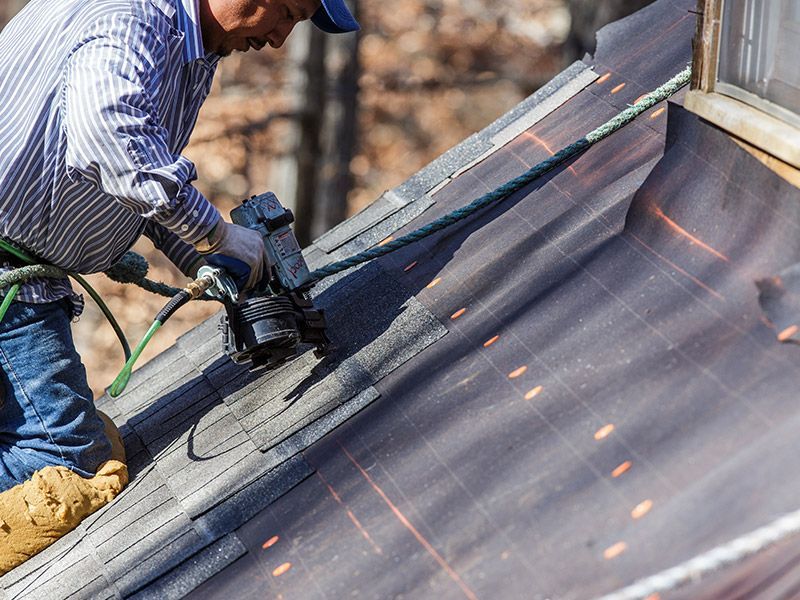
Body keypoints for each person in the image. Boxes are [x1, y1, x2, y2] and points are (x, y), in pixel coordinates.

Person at [0, 0, 358, 571]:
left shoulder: (188, 45)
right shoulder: (132, 18)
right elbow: (108, 139)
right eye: (287, 12)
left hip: (18, 274)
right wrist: (217, 235)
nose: (281, 38)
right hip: (10, 282)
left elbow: (134, 168)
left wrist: (205, 256)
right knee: (70, 462)